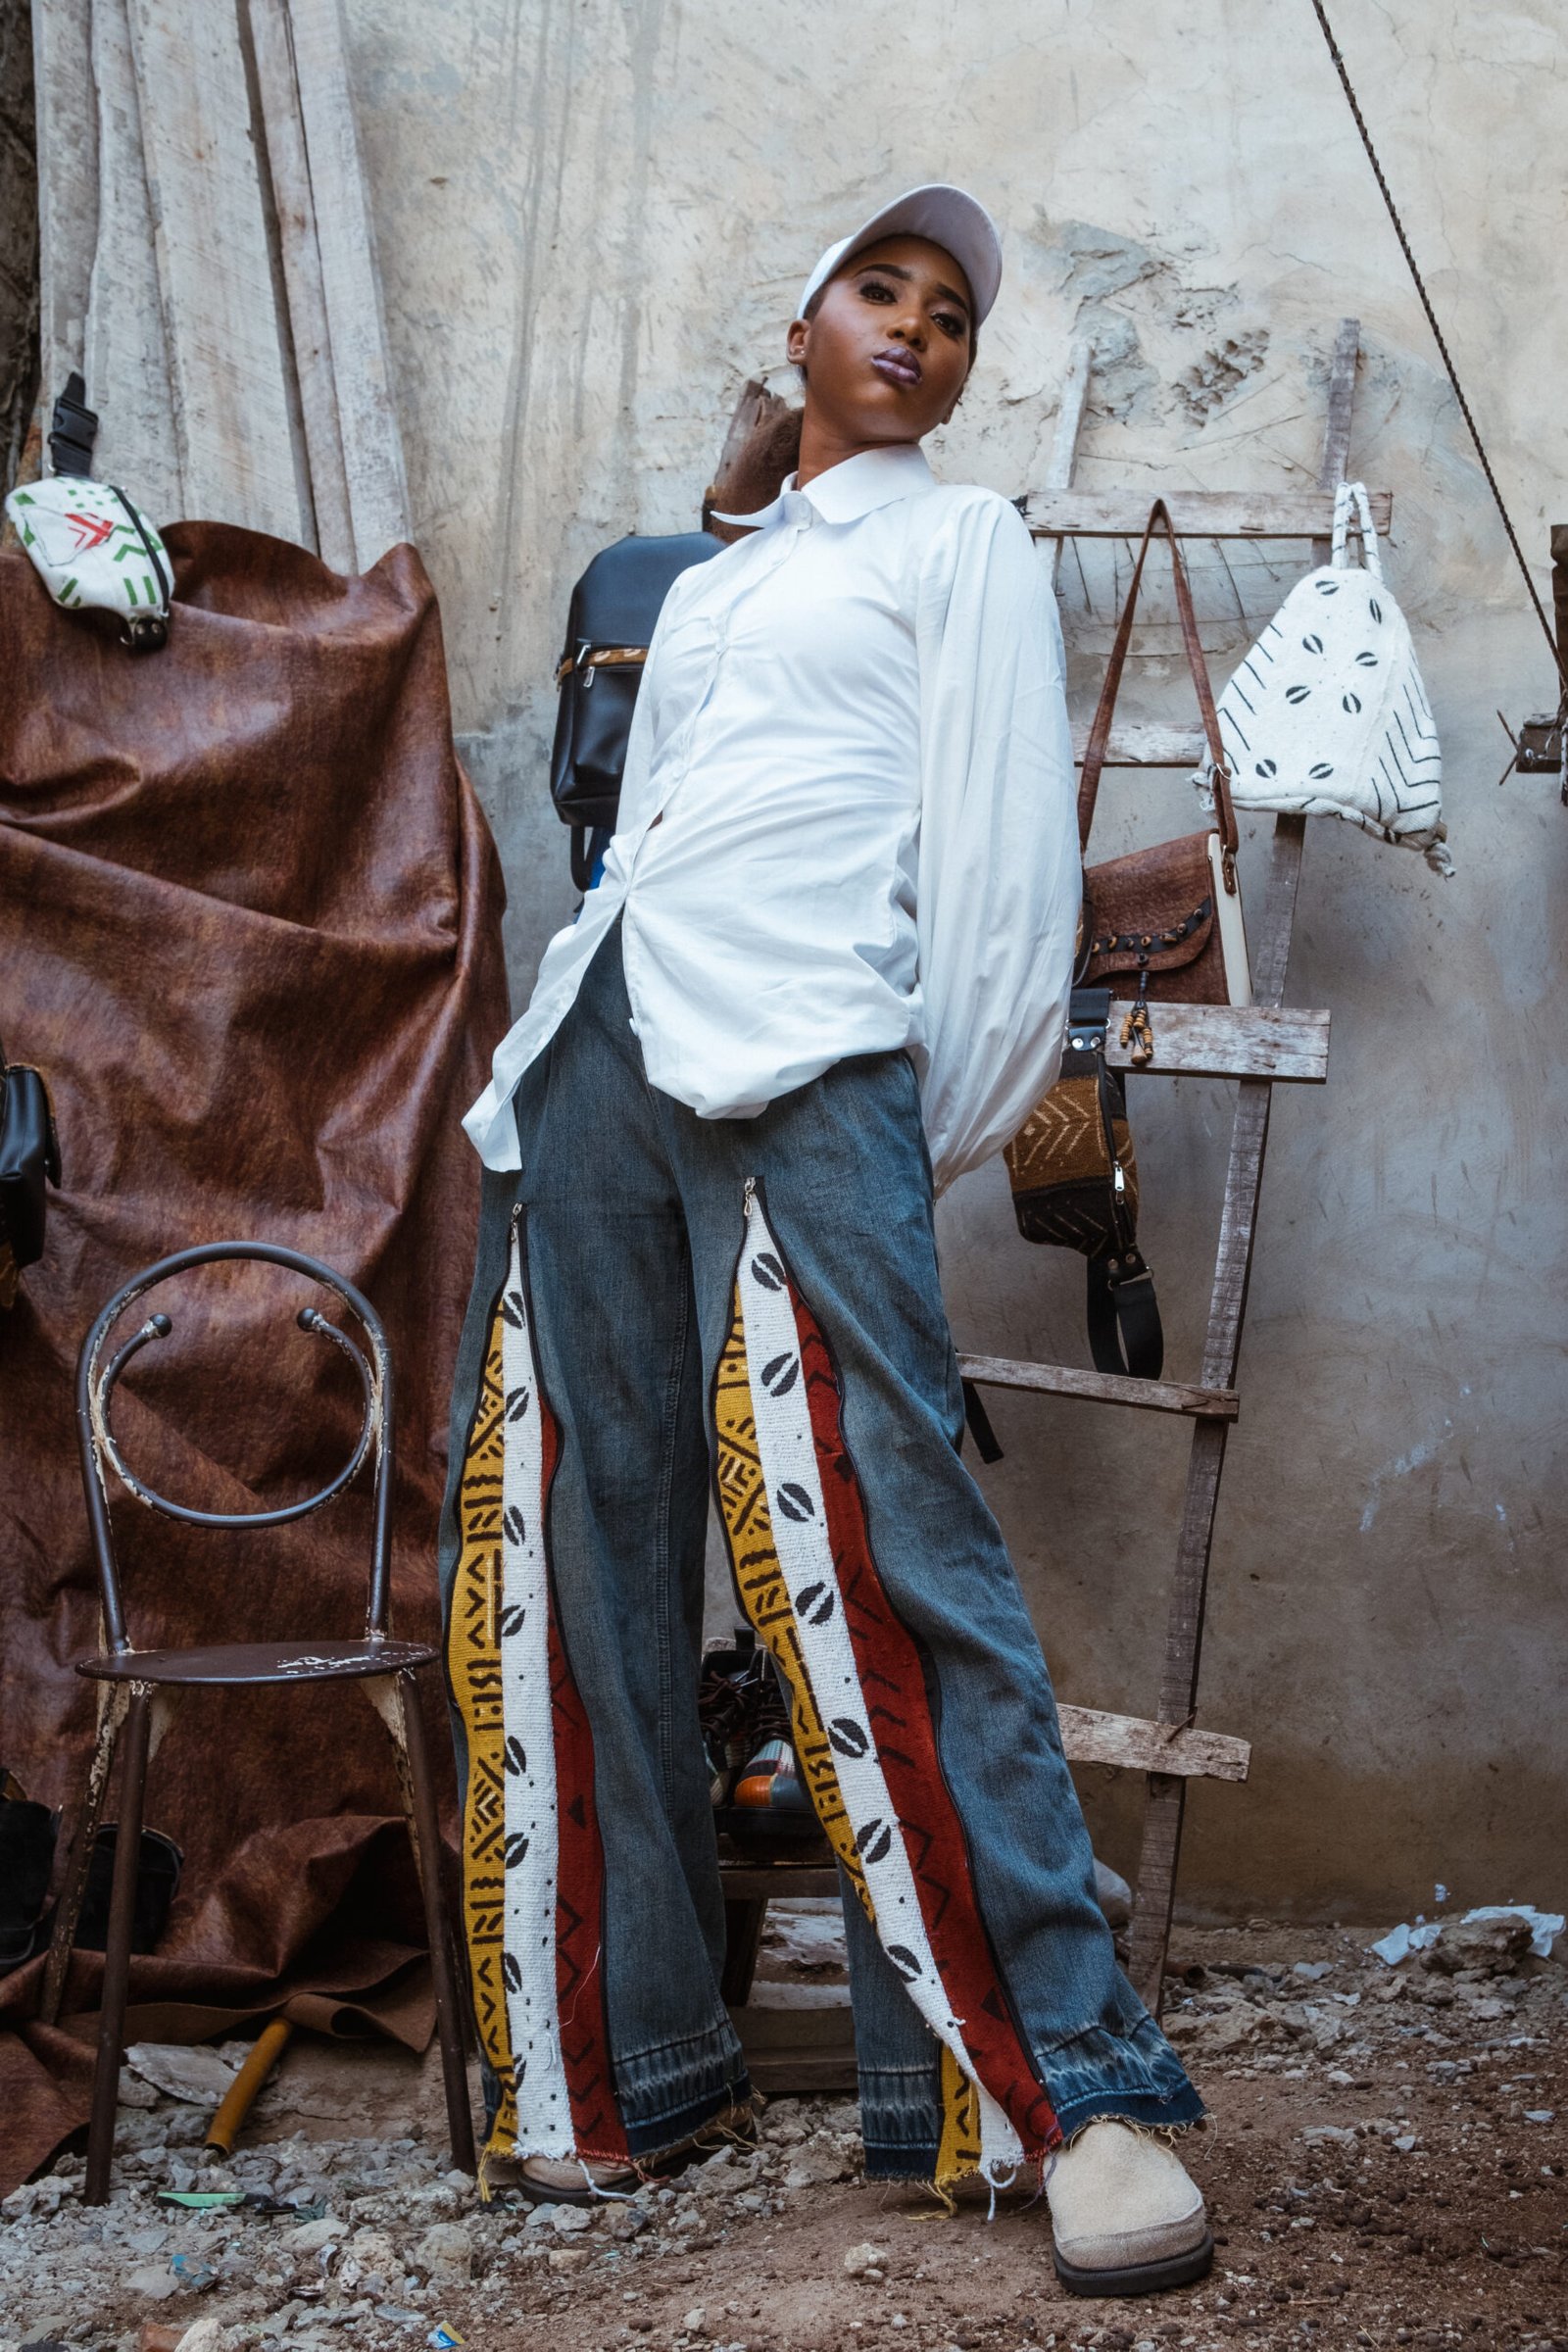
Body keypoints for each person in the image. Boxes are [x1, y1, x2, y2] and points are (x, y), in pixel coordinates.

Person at [442, 183, 1210, 2299]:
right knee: (575, 1531)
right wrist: (737, 502)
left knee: (884, 1542)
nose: (916, 329)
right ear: (798, 331)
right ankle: (621, 2069)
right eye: (877, 290)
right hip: (603, 1040)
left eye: (949, 314)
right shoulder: (714, 583)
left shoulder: (962, 547)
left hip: (808, 1048)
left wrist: (904, 1133)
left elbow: (1003, 886)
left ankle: (1063, 2093)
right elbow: (655, 822)